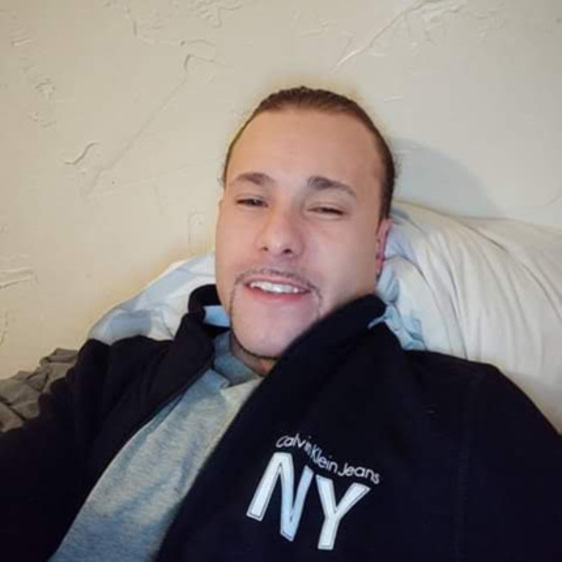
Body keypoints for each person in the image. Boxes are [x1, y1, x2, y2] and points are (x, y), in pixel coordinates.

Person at [1, 86, 561, 562]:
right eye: (251, 200)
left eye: (326, 208)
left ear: (378, 246)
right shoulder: (112, 374)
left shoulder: (463, 416)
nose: (277, 237)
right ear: (221, 221)